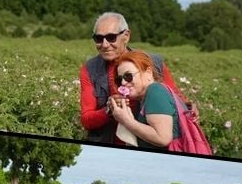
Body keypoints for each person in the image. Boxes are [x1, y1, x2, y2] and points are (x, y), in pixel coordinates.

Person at [79, 12, 194, 145]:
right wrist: (108, 110)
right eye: (98, 39)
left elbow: (174, 97)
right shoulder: (89, 69)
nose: (104, 44)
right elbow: (86, 120)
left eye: (111, 37)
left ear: (126, 36)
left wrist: (188, 108)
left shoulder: (152, 62)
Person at [108, 50, 191, 151]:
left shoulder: (155, 91)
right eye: (119, 79)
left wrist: (126, 121)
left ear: (148, 73)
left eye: (128, 76)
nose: (123, 82)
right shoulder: (145, 97)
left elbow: (163, 138)